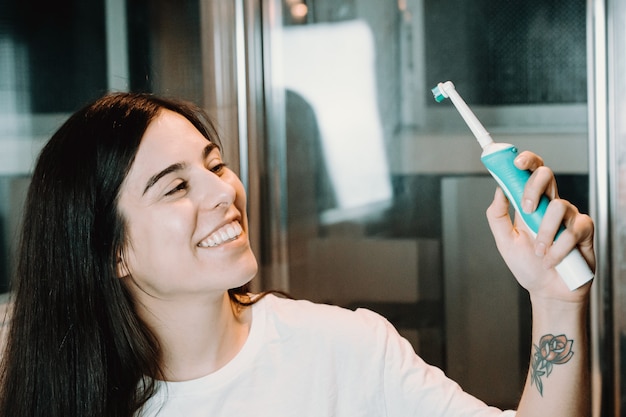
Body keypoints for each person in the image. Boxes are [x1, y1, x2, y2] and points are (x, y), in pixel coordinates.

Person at [0, 92, 594, 417]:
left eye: (215, 165)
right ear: (111, 252)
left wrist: (556, 300)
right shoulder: (57, 390)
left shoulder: (347, 350)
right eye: (177, 187)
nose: (224, 192)